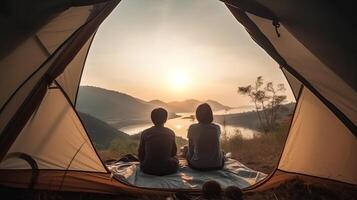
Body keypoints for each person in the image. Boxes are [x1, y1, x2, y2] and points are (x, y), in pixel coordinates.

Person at [138, 108, 179, 176]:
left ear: (152, 119)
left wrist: (144, 162)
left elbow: (141, 153)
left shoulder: (145, 133)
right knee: (176, 159)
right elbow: (173, 152)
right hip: (168, 169)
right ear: (165, 119)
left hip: (147, 169)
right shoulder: (170, 132)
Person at [186, 103, 224, 171]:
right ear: (210, 115)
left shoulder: (192, 128)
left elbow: (191, 150)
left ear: (197, 115)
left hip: (198, 166)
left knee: (186, 150)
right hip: (217, 165)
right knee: (222, 152)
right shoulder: (217, 128)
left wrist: (189, 157)